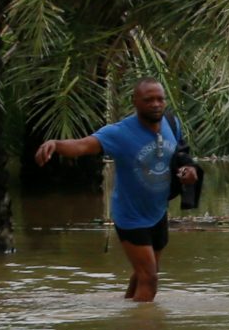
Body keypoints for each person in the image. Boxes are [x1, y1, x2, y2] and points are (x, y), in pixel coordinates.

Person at [35, 78, 197, 303]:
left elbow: (181, 154)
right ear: (135, 101)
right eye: (148, 100)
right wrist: (56, 144)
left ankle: (127, 314)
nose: (156, 104)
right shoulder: (119, 133)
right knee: (149, 278)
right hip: (131, 217)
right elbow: (83, 145)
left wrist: (187, 170)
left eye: (160, 99)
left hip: (158, 212)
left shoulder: (172, 123)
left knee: (143, 275)